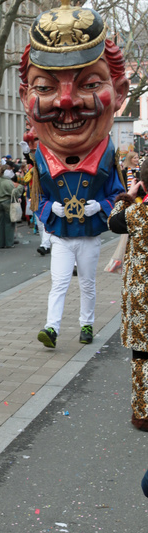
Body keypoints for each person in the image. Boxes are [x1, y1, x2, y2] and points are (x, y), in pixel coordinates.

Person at [19, 0, 129, 350]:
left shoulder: (110, 155)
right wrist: (56, 211)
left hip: (89, 235)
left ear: (119, 92)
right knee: (60, 281)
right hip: (64, 236)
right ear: (25, 96)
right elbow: (40, 201)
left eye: (88, 83)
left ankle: (86, 325)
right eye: (46, 88)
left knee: (88, 283)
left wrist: (105, 206)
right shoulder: (40, 158)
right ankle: (51, 327)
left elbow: (116, 195)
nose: (66, 102)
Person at [108, 157, 148, 431]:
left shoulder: (137, 214)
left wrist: (128, 195)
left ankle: (143, 412)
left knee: (142, 355)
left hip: (141, 295)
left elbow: (113, 223)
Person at [0, 167, 24, 249]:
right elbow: (14, 193)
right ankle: (9, 242)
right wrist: (20, 187)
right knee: (9, 223)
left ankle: (0, 243)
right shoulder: (8, 182)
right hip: (7, 202)